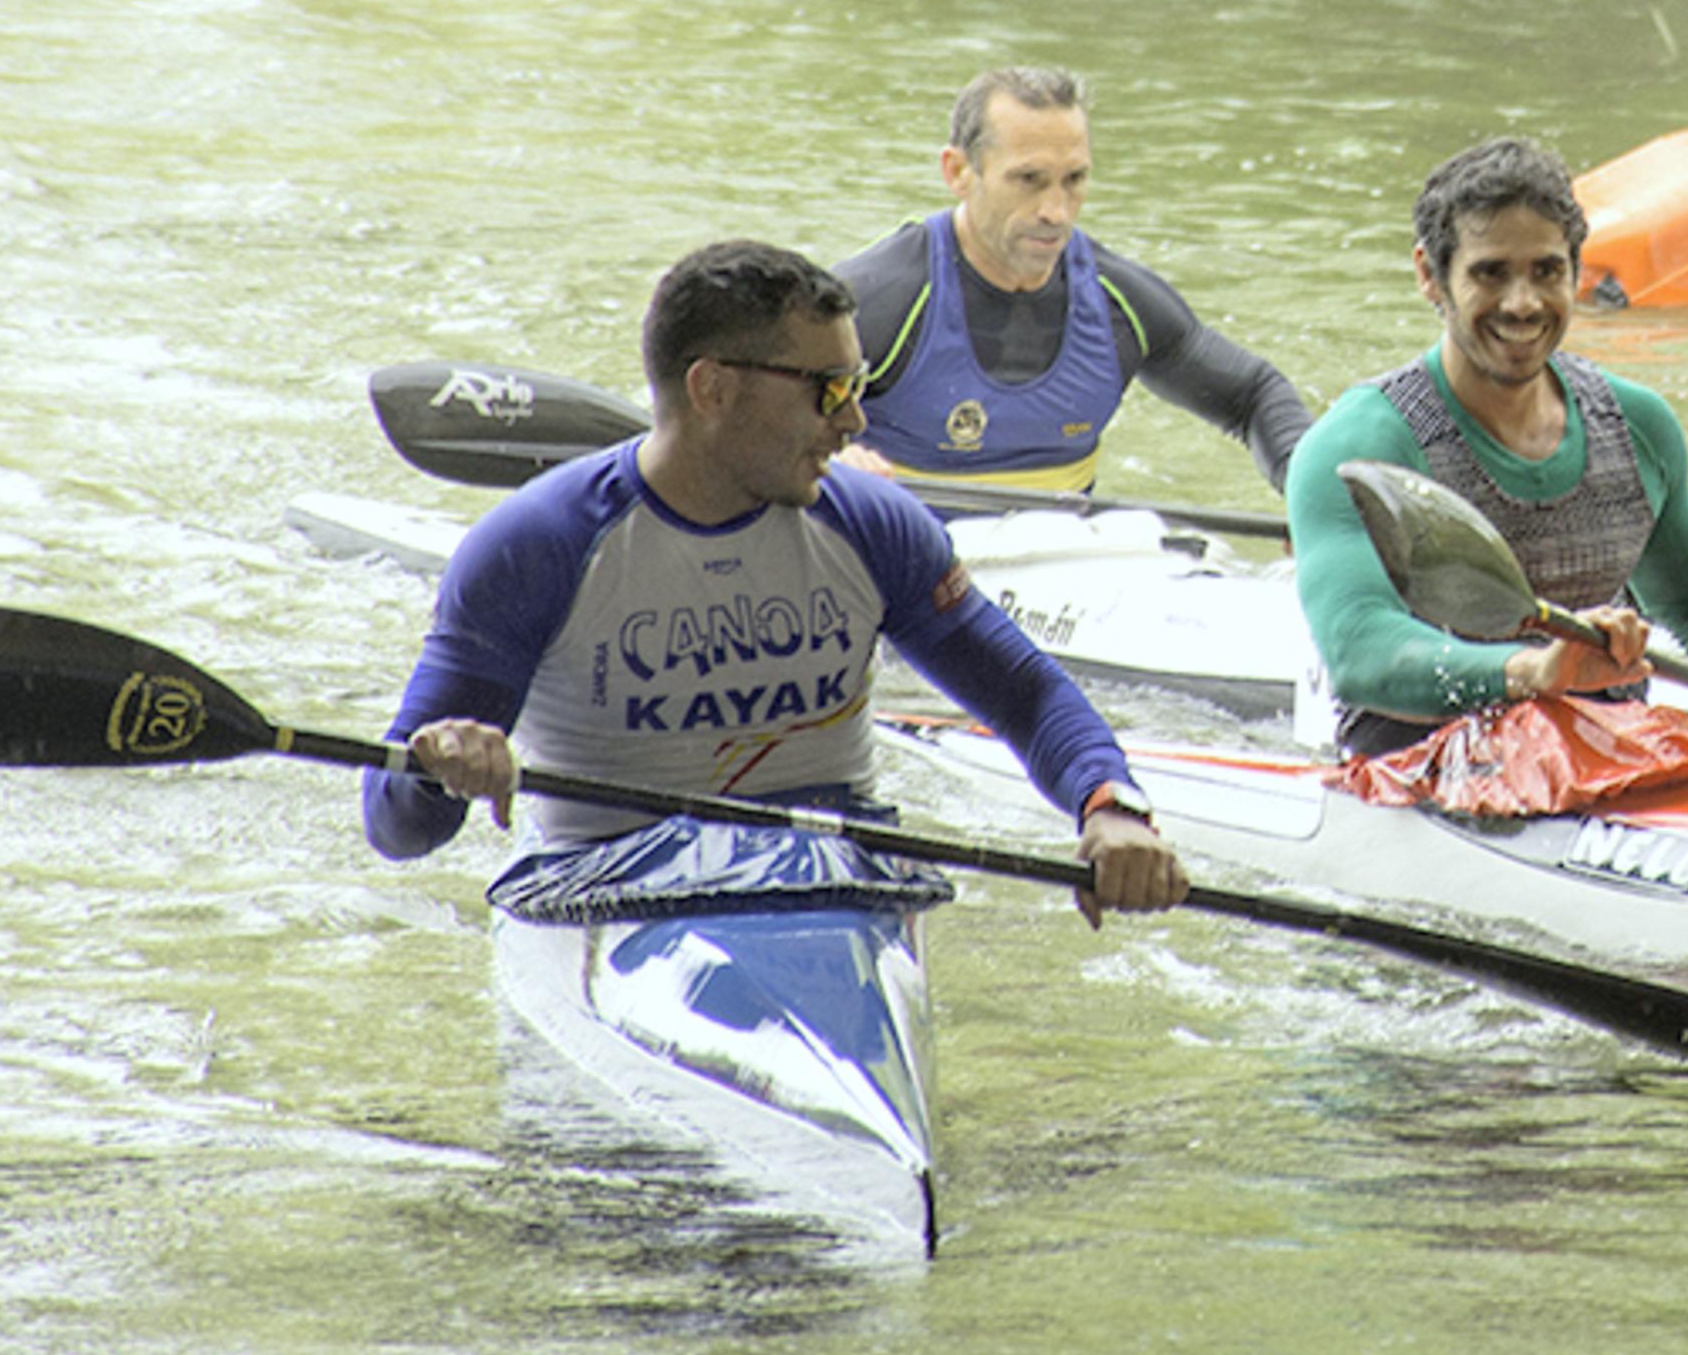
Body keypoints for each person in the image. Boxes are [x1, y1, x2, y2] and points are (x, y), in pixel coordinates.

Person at [365, 238, 1178, 923]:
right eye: (830, 390)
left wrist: (1109, 805)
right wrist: (440, 769)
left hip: (835, 867)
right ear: (712, 388)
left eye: (859, 388)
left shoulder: (873, 526)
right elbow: (395, 830)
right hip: (612, 876)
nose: (854, 420)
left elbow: (1026, 694)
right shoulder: (536, 547)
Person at [1285, 135, 1688, 791]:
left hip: (1605, 744)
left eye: (1547, 271)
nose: (1522, 304)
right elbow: (1357, 645)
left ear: (1577, 273)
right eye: (1491, 273)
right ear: (1429, 275)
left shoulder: (1635, 424)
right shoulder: (1355, 447)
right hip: (1414, 757)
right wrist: (1533, 671)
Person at [836, 66, 1309, 497]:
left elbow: (1254, 396)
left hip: (1054, 567)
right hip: (900, 560)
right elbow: (762, 417)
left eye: (1074, 179)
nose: (1055, 212)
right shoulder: (876, 301)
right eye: (1029, 180)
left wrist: (1312, 498)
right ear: (958, 172)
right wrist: (824, 461)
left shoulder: (1120, 303)